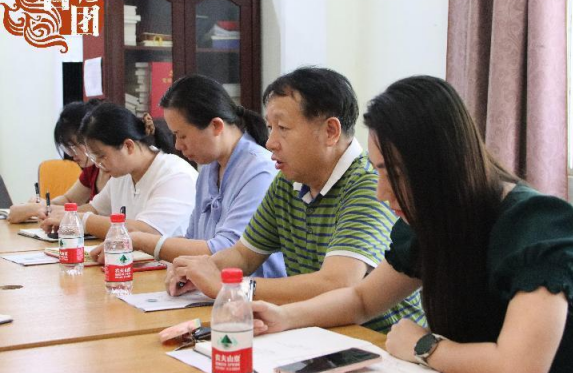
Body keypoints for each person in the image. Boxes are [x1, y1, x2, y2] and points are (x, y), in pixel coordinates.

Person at [249, 76, 573, 373]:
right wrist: (285, 316)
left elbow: (520, 367)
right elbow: (362, 299)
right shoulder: (434, 218)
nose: (382, 193)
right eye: (379, 171)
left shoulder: (539, 226)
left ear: (443, 165)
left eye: (394, 174)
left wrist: (425, 346)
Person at [166, 67, 425, 334]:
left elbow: (337, 283)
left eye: (283, 128)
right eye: (270, 128)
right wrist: (200, 270)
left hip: (374, 340)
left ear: (330, 131)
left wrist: (233, 286)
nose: (270, 142)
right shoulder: (289, 182)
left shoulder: (368, 184)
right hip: (315, 332)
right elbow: (243, 254)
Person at [90, 75, 285, 278]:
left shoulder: (259, 171)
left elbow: (228, 250)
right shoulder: (209, 169)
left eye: (182, 135)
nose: (177, 145)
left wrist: (140, 240)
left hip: (251, 292)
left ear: (216, 126)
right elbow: (192, 238)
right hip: (211, 289)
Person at [42, 103, 197, 239]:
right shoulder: (122, 175)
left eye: (102, 156)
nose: (98, 165)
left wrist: (80, 220)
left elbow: (145, 231)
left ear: (128, 146)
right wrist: (64, 217)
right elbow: (95, 209)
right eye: (94, 158)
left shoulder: (175, 176)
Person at [8, 100, 110, 223]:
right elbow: (68, 199)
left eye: (73, 147)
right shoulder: (92, 169)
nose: (71, 155)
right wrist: (43, 205)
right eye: (66, 149)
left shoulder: (116, 171)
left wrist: (38, 209)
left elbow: (92, 211)